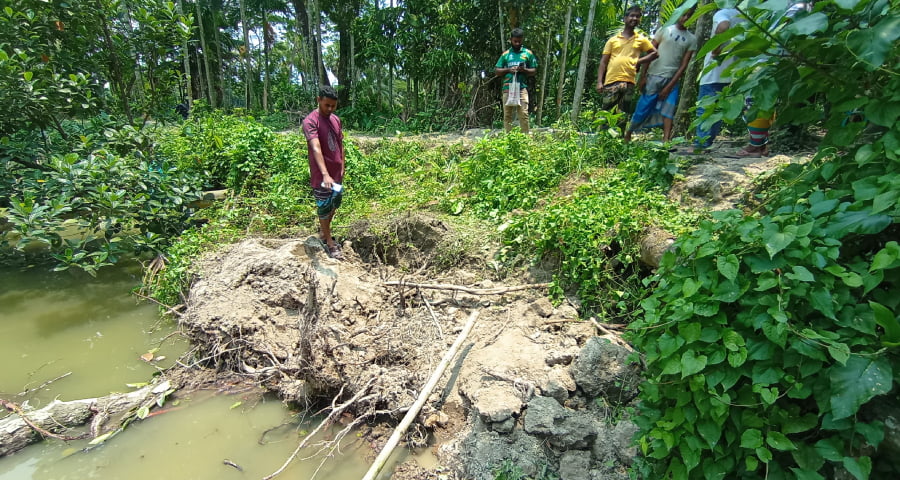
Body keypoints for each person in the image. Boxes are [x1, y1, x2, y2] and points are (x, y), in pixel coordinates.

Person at [624, 6, 697, 143]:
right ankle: (628, 133)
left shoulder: (691, 39)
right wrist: (643, 76)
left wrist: (670, 85)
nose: (686, 18)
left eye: (689, 16)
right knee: (643, 107)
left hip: (672, 79)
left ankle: (666, 141)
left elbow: (683, 65)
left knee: (669, 110)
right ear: (679, 14)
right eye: (684, 15)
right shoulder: (665, 30)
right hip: (653, 75)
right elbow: (650, 53)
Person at [692, 6, 744, 153]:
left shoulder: (722, 14)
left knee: (705, 108)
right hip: (731, 71)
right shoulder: (742, 15)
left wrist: (716, 48)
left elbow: (723, 26)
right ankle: (707, 142)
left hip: (714, 71)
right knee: (718, 111)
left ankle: (701, 144)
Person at [302, 86, 346, 260]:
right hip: (322, 177)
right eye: (327, 105)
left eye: (333, 106)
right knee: (323, 207)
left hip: (337, 174)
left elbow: (340, 142)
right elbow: (316, 147)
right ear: (318, 100)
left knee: (335, 203)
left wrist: (342, 164)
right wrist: (325, 174)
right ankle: (329, 242)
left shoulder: (335, 119)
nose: (330, 109)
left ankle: (323, 231)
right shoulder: (310, 121)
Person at [596, 6, 657, 127]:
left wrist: (638, 62)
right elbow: (603, 62)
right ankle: (602, 141)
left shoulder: (641, 39)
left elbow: (655, 53)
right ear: (625, 18)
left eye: (638, 16)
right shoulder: (613, 40)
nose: (634, 18)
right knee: (606, 113)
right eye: (632, 15)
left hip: (629, 82)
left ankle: (619, 142)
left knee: (623, 115)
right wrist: (599, 82)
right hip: (611, 81)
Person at [495, 28, 538, 133]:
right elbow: (497, 70)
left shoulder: (528, 53)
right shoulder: (505, 54)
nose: (517, 43)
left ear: (522, 39)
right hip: (507, 87)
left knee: (523, 114)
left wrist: (524, 70)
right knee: (507, 115)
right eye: (515, 41)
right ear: (511, 40)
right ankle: (509, 138)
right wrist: (508, 70)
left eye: (519, 41)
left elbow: (534, 70)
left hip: (522, 87)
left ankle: (525, 139)